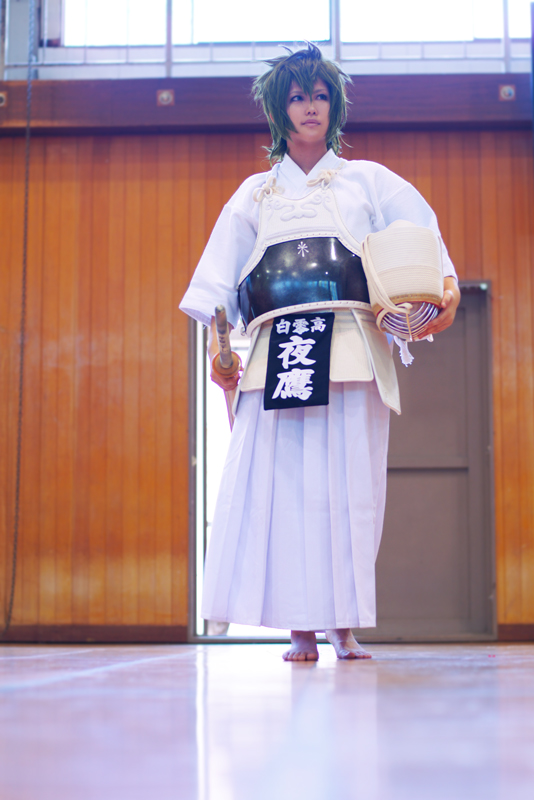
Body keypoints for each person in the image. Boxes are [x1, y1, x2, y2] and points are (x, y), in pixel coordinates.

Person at [180, 43, 460, 661]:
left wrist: (445, 288)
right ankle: (299, 627)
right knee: (282, 491)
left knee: (349, 487)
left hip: (352, 345)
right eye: (298, 96)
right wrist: (219, 348)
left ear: (333, 107)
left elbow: (422, 239)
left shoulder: (370, 181)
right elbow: (218, 288)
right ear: (281, 111)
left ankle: (343, 624)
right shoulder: (253, 195)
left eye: (320, 95)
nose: (310, 107)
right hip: (278, 348)